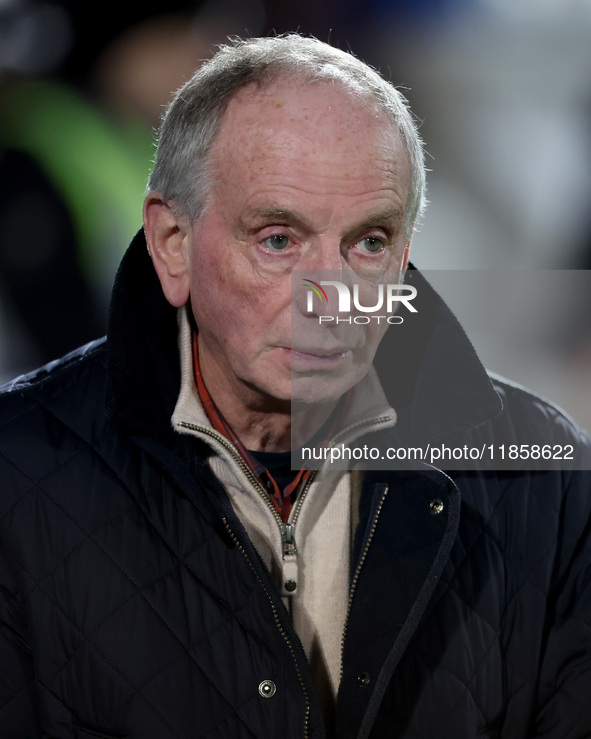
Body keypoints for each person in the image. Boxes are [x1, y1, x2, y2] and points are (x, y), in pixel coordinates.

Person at [1, 34, 590, 739]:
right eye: (277, 239)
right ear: (172, 245)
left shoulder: (547, 484)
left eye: (368, 243)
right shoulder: (16, 480)